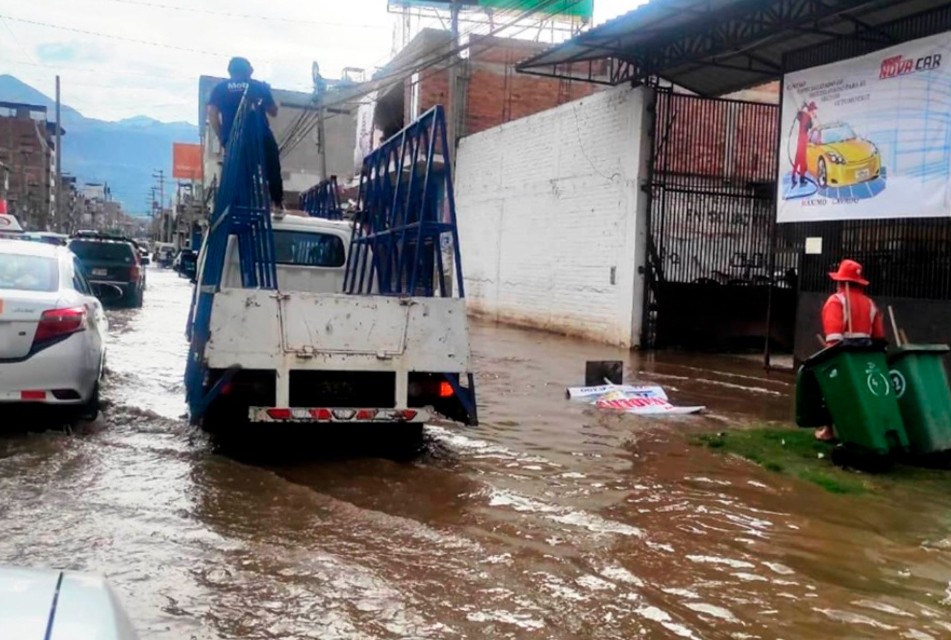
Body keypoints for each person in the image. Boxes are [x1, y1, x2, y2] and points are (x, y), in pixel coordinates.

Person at [814, 258, 886, 441]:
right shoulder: (870, 304)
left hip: (843, 357)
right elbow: (879, 337)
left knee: (821, 382)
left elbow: (833, 339)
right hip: (867, 359)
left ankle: (828, 430)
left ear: (840, 282)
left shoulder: (836, 301)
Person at [207, 57, 284, 210]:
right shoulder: (258, 86)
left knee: (240, 174)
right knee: (272, 164)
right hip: (259, 136)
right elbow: (273, 111)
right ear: (248, 71)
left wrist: (223, 138)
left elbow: (212, 114)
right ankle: (277, 203)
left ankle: (239, 206)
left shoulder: (220, 88)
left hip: (235, 139)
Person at [792, 101, 818, 187]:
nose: (815, 112)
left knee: (799, 159)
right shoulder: (806, 116)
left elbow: (799, 115)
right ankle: (799, 178)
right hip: (802, 139)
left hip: (802, 139)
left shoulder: (804, 115)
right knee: (801, 159)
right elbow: (808, 126)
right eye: (814, 110)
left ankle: (797, 177)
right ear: (812, 110)